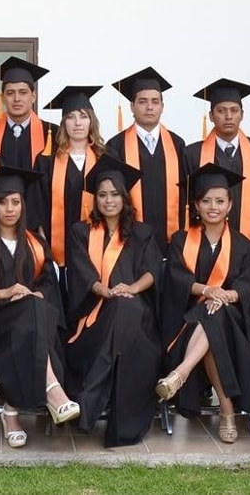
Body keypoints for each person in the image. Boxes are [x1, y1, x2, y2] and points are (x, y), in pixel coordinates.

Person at [0, 166, 79, 448]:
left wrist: (33, 295)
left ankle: (11, 411)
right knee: (33, 313)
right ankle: (52, 390)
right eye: (2, 202)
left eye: (15, 202)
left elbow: (48, 287)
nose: (9, 209)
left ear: (23, 205)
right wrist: (7, 293)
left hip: (31, 320)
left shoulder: (37, 244)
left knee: (34, 308)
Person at [156, 164, 250, 444]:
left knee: (215, 316)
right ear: (196, 205)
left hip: (233, 325)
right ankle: (227, 411)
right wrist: (209, 291)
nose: (213, 207)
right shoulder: (181, 240)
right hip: (185, 324)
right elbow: (177, 280)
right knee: (210, 317)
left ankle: (180, 373)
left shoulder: (243, 245)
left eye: (219, 201)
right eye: (206, 201)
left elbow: (249, 285)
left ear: (230, 205)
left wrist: (226, 296)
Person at [64, 156, 163, 447]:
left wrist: (130, 288)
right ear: (95, 199)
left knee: (126, 305)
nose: (109, 201)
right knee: (120, 306)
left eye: (115, 194)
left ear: (125, 198)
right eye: (103, 195)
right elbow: (81, 271)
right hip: (94, 318)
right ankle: (99, 405)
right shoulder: (81, 232)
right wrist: (104, 291)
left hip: (137, 318)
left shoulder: (142, 232)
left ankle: (89, 401)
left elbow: (152, 271)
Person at [33, 85, 107, 308]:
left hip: (98, 245)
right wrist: (46, 250)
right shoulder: (46, 161)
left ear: (91, 121)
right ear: (63, 123)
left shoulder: (105, 158)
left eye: (83, 117)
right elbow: (38, 206)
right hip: (58, 250)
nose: (77, 123)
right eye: (71, 117)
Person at [185, 79, 250, 253]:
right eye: (221, 111)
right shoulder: (192, 154)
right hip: (204, 249)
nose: (228, 116)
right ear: (211, 116)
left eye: (234, 110)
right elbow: (188, 203)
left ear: (242, 114)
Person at [106, 67, 187, 252]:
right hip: (130, 242)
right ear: (132, 106)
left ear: (162, 107)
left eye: (155, 101)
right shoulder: (116, 145)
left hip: (172, 241)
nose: (149, 107)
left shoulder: (178, 144)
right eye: (142, 101)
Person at [0, 56, 56, 170]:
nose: (17, 99)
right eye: (10, 93)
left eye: (23, 92)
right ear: (3, 98)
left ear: (33, 96)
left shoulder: (52, 134)